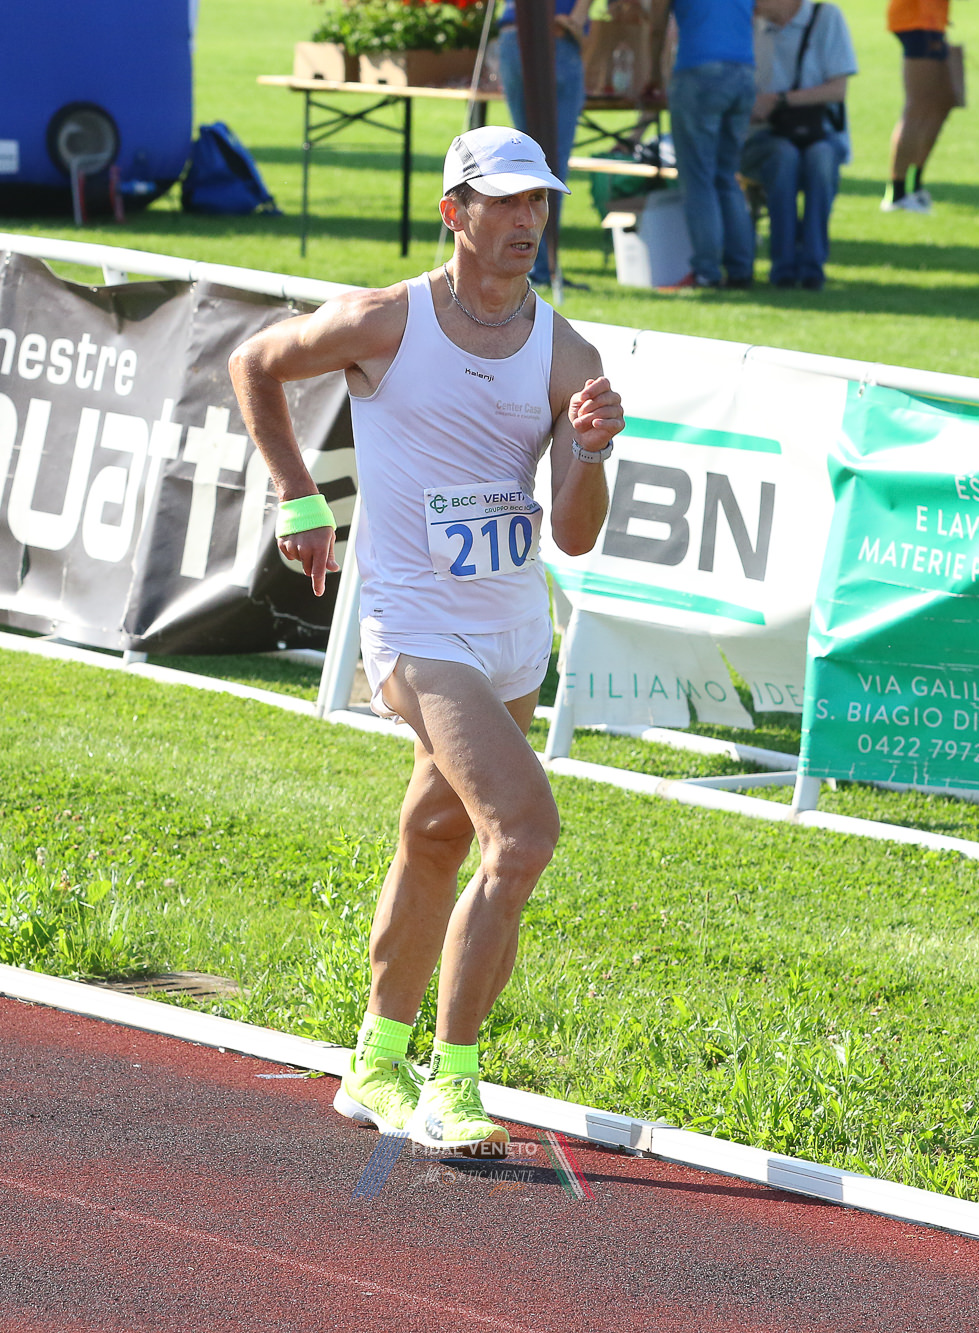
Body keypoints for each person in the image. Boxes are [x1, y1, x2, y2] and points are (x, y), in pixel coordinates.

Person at [227, 125, 625, 1157]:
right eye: (505, 202)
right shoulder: (386, 321)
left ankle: (374, 1058)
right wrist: (298, 494)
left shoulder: (567, 354)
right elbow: (255, 362)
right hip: (412, 625)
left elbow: (576, 534)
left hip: (511, 631)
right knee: (522, 834)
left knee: (437, 836)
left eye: (538, 202)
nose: (527, 220)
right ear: (455, 212)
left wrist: (588, 452)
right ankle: (451, 1081)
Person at [741, 0, 857, 289]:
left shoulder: (825, 17)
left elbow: (838, 90)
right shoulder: (747, 23)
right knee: (784, 156)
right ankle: (784, 266)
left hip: (818, 132)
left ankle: (812, 266)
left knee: (821, 157)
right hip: (763, 136)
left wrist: (778, 101)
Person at [646, 0, 759, 288]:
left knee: (698, 178)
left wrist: (654, 75)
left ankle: (707, 271)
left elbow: (657, 26)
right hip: (744, 72)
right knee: (727, 176)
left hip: (698, 71)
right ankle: (741, 269)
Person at [496, 0, 590, 286]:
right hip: (553, 37)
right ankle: (541, 265)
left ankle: (525, 260)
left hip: (513, 35)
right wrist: (577, 18)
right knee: (547, 164)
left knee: (526, 160)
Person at [883, 0, 955, 213]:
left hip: (931, 22)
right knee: (917, 106)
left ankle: (915, 185)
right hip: (919, 22)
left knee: (940, 104)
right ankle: (897, 193)